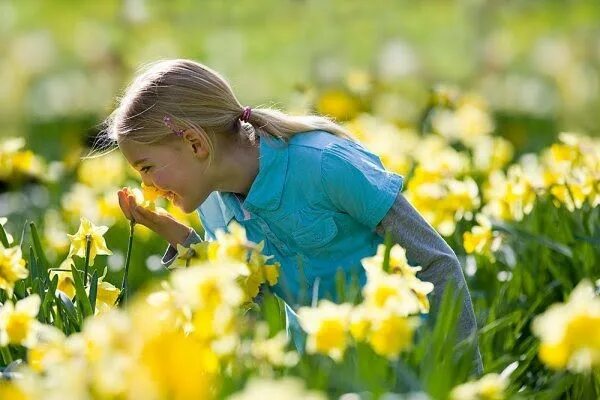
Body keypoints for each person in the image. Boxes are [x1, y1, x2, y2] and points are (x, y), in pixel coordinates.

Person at [103, 59, 482, 373]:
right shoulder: (213, 204)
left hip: (408, 371)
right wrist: (183, 241)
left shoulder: (323, 165)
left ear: (195, 143)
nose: (147, 187)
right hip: (325, 379)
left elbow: (436, 263)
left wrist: (463, 377)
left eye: (147, 168)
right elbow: (251, 296)